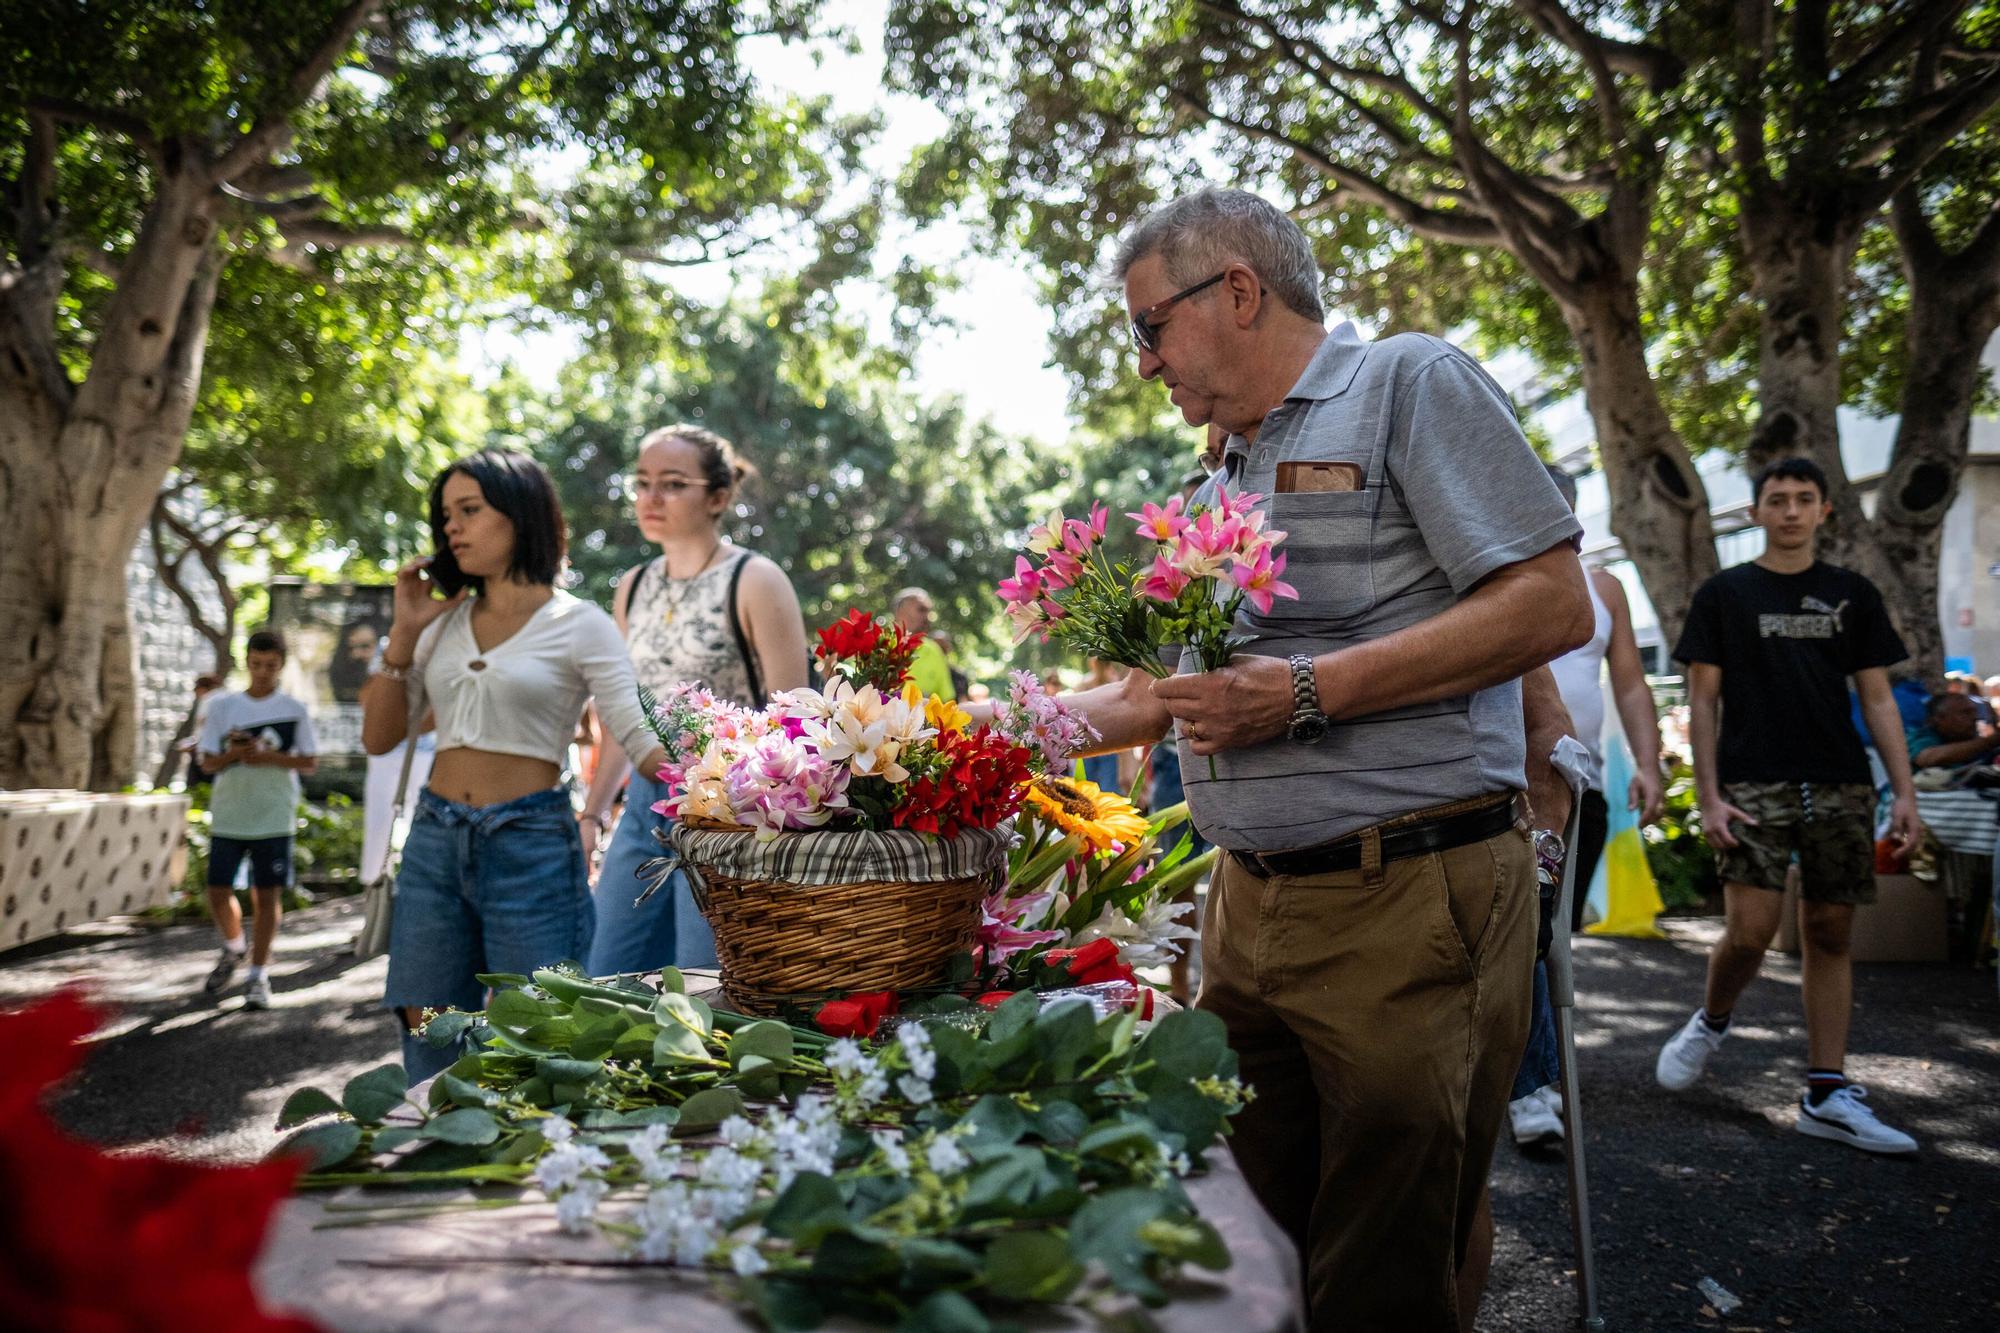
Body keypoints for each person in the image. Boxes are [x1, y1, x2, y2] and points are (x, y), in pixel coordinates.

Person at [1040, 187, 1592, 1331]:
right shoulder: (1216, 474)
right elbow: (1158, 699)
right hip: (1245, 905)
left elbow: (1548, 602)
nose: (1144, 362)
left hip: (1404, 892)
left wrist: (1301, 692)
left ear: (1236, 290)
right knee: (1249, 1237)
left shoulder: (1405, 381)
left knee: (1389, 1257)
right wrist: (981, 740)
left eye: (1149, 326)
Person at [362, 448, 667, 1083]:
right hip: (435, 840)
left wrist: (739, 782)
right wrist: (403, 633)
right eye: (446, 514)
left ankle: (530, 1163)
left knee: (543, 1024)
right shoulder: (439, 626)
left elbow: (639, 738)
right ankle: (436, 1151)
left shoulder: (579, 623)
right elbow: (380, 735)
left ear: (520, 515)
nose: (452, 527)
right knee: (427, 1015)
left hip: (531, 842)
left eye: (470, 510)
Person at [1654, 456, 1923, 1155]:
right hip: (1751, 784)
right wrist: (1708, 796)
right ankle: (1713, 1018)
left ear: (1826, 510)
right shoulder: (1725, 593)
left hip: (1839, 781)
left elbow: (1877, 697)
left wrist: (1905, 792)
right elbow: (1702, 701)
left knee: (1830, 931)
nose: (1792, 510)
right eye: (1778, 499)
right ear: (1755, 512)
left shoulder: (1852, 593)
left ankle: (1826, 1090)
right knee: (1750, 931)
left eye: (1806, 498)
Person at [580, 425, 809, 975]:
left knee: (707, 987)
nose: (651, 498)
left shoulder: (755, 579)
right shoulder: (631, 585)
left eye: (673, 484)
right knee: (607, 977)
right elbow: (624, 713)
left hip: (726, 813)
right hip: (642, 805)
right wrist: (591, 812)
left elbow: (795, 717)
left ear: (719, 497)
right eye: (642, 483)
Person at [1505, 466, 1668, 1149]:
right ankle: (1528, 1090)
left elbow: (1629, 684)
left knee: (1551, 936)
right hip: (1508, 793)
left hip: (1584, 789)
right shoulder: (1494, 580)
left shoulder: (1604, 588)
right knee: (1522, 935)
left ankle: (1532, 1068)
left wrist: (1651, 762)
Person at [197, 632, 318, 1010]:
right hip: (230, 813)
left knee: (266, 896)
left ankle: (257, 975)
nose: (262, 672)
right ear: (246, 662)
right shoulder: (223, 707)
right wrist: (234, 754)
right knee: (218, 890)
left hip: (274, 815)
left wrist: (268, 756)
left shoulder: (294, 708)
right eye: (256, 664)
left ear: (281, 664)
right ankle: (234, 947)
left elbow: (309, 762)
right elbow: (206, 762)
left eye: (270, 665)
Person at [1906, 690, 2000, 778]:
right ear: (1939, 718)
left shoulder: (1971, 741)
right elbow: (1927, 758)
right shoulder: (1921, 737)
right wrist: (1991, 741)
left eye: (1974, 712)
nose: (1975, 717)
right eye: (1965, 713)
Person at [891, 587, 956, 700]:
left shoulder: (935, 650)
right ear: (900, 612)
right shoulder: (880, 646)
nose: (927, 617)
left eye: (928, 611)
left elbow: (947, 700)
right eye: (921, 610)